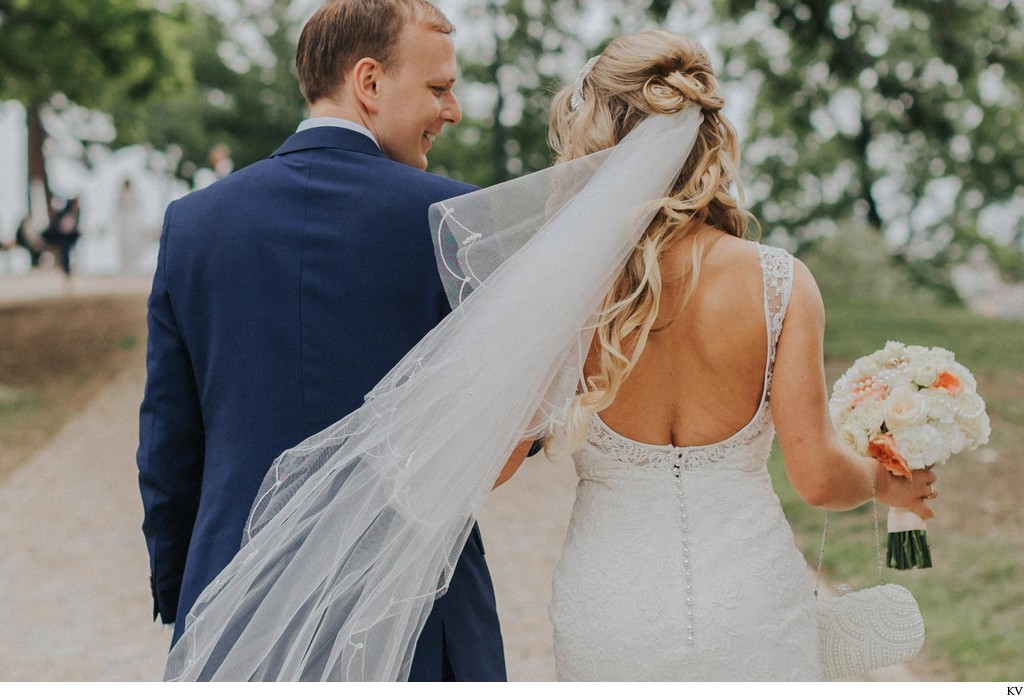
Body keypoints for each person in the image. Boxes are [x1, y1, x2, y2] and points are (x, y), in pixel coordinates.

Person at [162, 30, 939, 682]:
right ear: (706, 133)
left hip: (610, 608)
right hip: (753, 600)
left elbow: (489, 467)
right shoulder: (781, 283)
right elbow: (817, 475)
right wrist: (889, 483)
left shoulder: (567, 293)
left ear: (598, 142)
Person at [137, 0, 505, 682]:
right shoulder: (456, 224)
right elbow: (501, 432)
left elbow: (168, 447)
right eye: (439, 87)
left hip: (232, 601)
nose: (452, 110)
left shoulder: (194, 225)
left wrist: (183, 591)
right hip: (416, 616)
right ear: (369, 82)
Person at [42, 198, 81, 276]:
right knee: (64, 253)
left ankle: (66, 270)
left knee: (66, 253)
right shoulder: (64, 213)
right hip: (61, 237)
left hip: (67, 237)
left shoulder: (75, 213)